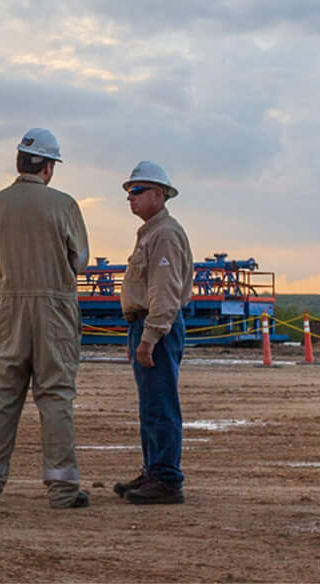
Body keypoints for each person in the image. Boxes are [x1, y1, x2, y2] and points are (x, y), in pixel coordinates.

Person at [0, 127, 91, 510]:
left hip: (6, 308)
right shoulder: (64, 204)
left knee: (2, 396)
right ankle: (62, 490)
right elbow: (79, 260)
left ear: (20, 160)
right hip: (52, 309)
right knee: (55, 396)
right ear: (49, 167)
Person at [115, 161, 191, 505]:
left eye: (137, 191)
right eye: (130, 192)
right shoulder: (152, 233)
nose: (130, 198)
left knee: (160, 404)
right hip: (145, 325)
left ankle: (166, 478)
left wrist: (150, 336)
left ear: (158, 195)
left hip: (156, 327)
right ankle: (154, 470)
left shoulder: (164, 234)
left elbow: (164, 291)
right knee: (151, 404)